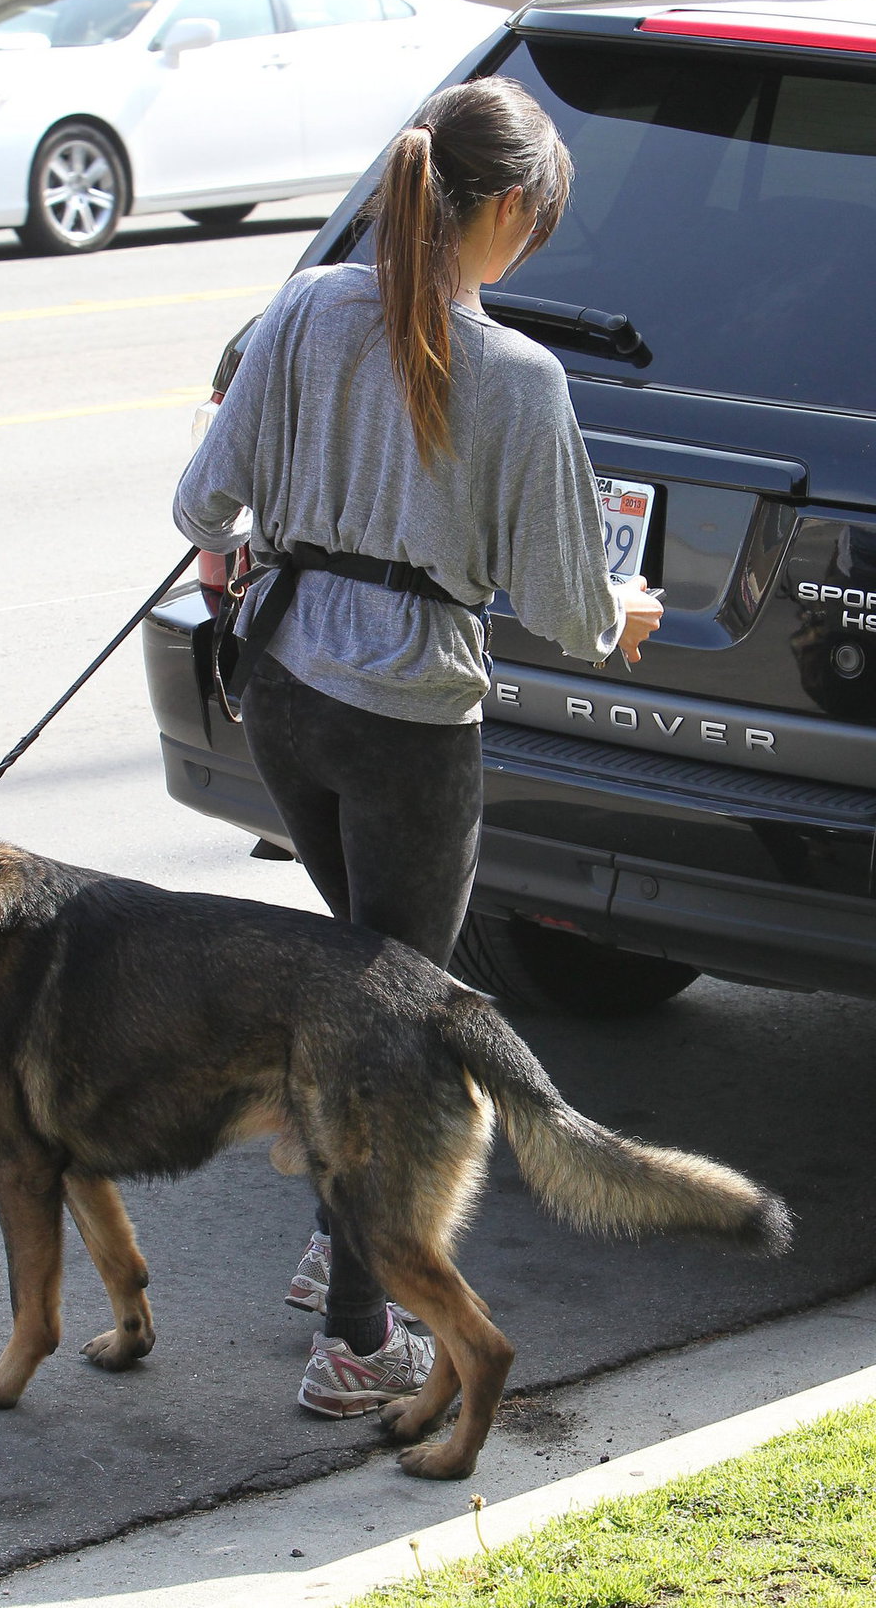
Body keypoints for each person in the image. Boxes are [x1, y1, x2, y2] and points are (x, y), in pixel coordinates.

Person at [172, 76, 663, 1420]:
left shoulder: (304, 307)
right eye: (537, 226)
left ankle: (336, 1246)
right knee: (397, 1035)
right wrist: (624, 612)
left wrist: (261, 541)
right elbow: (566, 605)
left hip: (283, 695)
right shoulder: (517, 378)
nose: (533, 248)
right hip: (406, 729)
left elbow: (203, 501)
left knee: (355, 987)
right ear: (504, 212)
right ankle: (354, 1341)